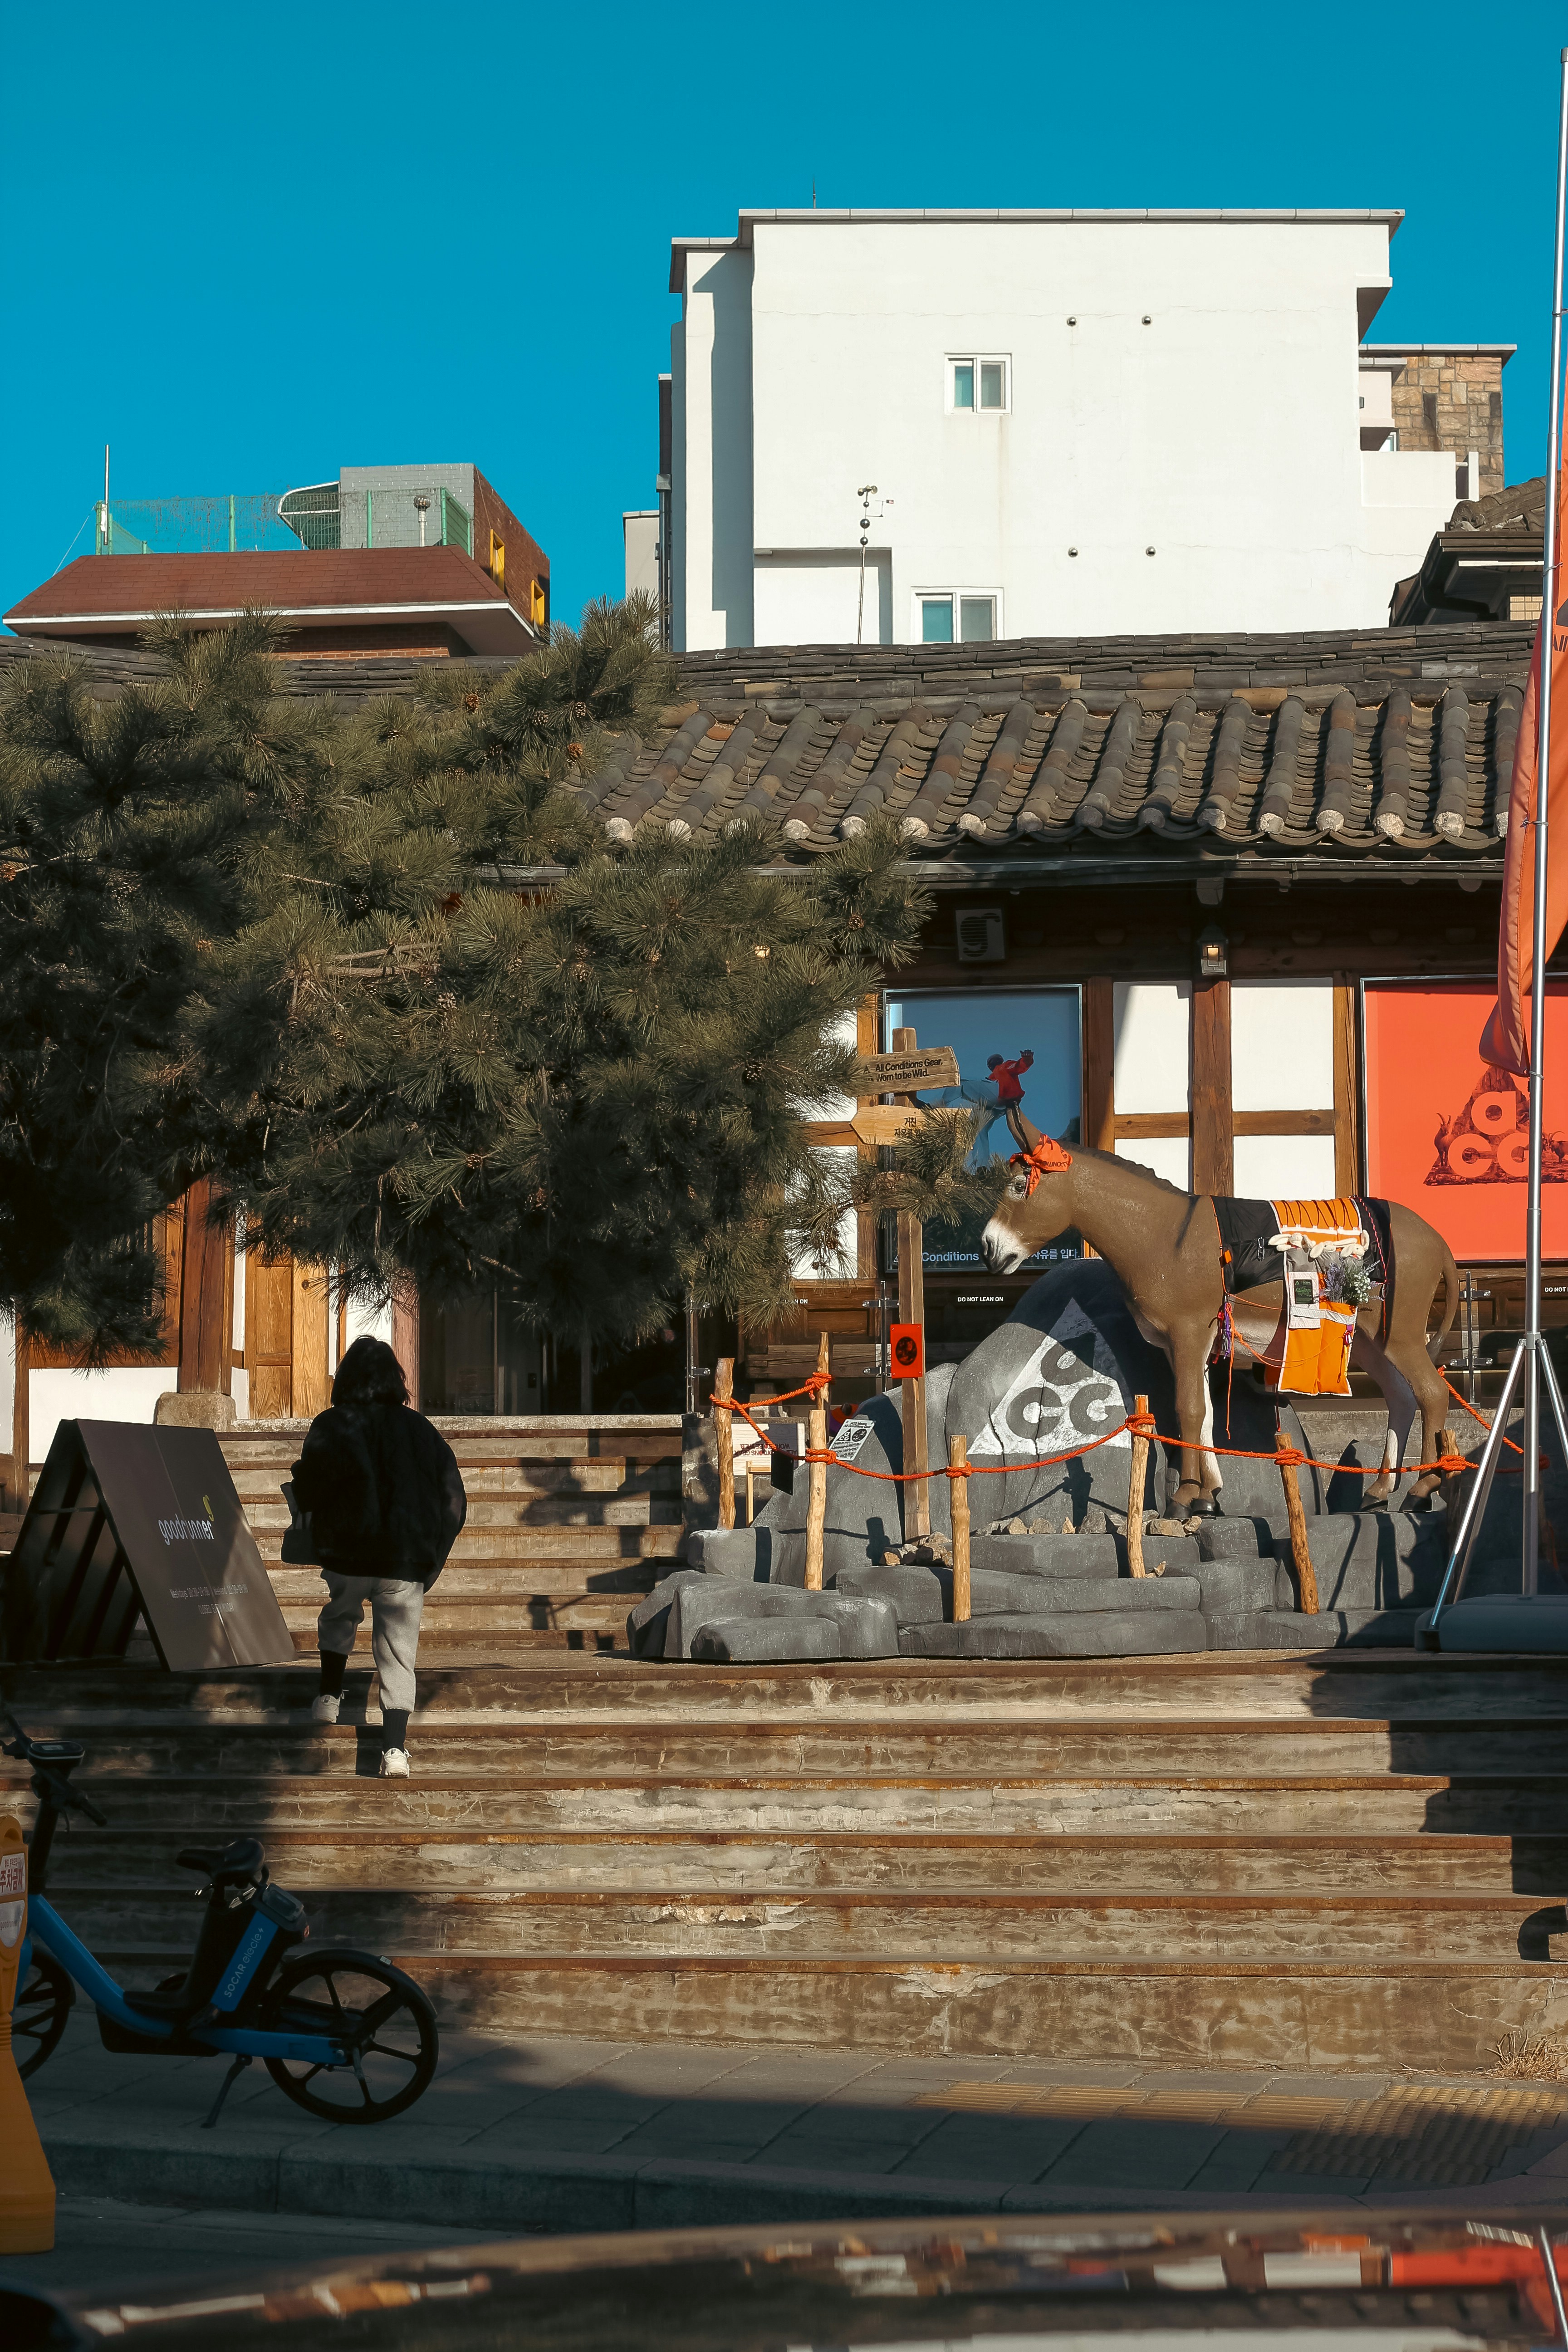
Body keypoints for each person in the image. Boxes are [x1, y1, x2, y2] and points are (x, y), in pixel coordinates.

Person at [290, 1335, 466, 1779]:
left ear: (345, 1377)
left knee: (339, 1617)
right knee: (398, 1652)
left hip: (347, 1554)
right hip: (404, 1559)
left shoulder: (331, 1423)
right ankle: (394, 1751)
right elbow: (455, 1502)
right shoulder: (421, 1430)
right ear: (397, 1379)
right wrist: (433, 1558)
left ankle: (328, 1699)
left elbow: (309, 1488)